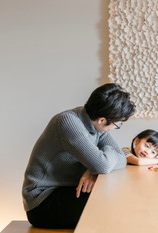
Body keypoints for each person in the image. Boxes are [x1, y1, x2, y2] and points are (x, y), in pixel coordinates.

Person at [22, 83, 136, 229]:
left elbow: (120, 157)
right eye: (116, 125)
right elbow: (103, 165)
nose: (114, 129)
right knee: (112, 202)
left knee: (116, 193)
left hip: (68, 191)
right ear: (102, 120)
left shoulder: (97, 126)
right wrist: (96, 164)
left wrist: (92, 168)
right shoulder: (67, 122)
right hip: (42, 202)